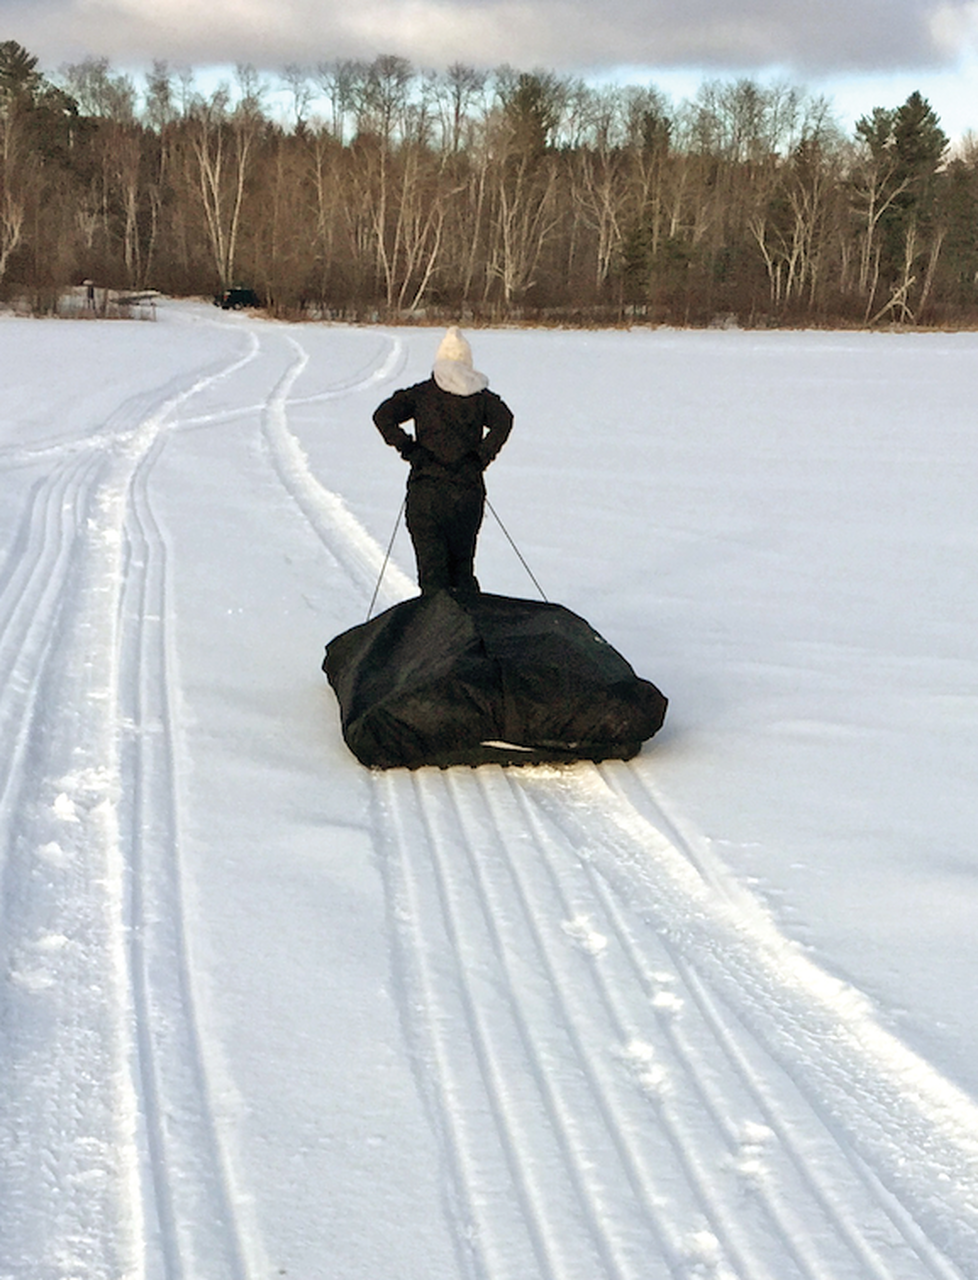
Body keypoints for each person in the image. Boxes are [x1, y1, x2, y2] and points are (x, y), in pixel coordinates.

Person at [373, 326, 513, 595]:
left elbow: (383, 415)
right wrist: (481, 457)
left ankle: (439, 632)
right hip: (467, 494)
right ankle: (471, 631)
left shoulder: (422, 394)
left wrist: (410, 450)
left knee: (433, 577)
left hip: (427, 494)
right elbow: (504, 420)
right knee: (462, 572)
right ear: (467, 361)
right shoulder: (480, 397)